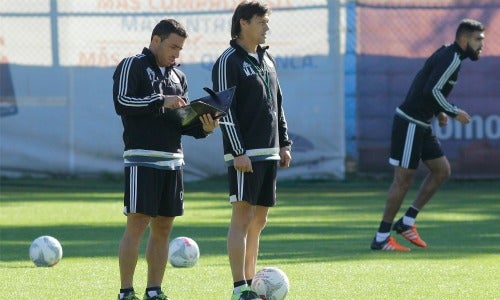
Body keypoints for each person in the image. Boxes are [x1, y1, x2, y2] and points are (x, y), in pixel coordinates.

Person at [112, 19, 219, 300]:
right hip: (142, 159)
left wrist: (203, 127)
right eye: (173, 46)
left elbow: (180, 123)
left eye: (181, 48)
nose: (177, 54)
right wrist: (161, 100)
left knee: (164, 228)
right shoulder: (132, 65)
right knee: (136, 225)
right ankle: (126, 292)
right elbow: (122, 102)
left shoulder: (178, 77)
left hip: (173, 161)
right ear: (155, 40)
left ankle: (154, 291)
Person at [371, 19, 485, 252]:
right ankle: (382, 237)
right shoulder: (452, 58)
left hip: (422, 123)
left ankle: (407, 222)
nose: (481, 45)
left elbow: (428, 85)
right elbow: (431, 90)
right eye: (478, 40)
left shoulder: (453, 56)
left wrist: (439, 111)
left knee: (442, 170)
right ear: (464, 40)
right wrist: (454, 112)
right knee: (402, 181)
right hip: (410, 122)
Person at [211, 1, 292, 299]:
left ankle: (251, 281)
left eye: (267, 21)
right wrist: (237, 151)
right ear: (243, 23)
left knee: (260, 220)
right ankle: (239, 288)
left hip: (269, 152)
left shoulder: (266, 59)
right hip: (245, 155)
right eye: (261, 21)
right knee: (242, 218)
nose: (267, 27)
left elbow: (277, 103)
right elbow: (224, 110)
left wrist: (283, 143)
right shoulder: (228, 61)